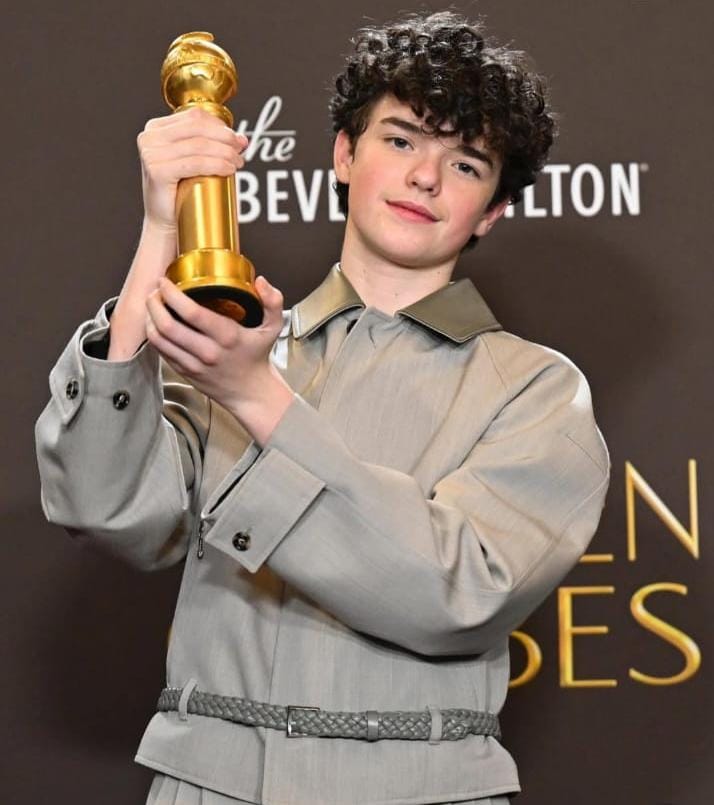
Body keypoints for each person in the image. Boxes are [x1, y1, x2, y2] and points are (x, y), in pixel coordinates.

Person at [35, 10, 610, 805]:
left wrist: (255, 395)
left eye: (466, 163)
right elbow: (104, 507)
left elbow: (460, 592)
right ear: (344, 153)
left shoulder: (535, 388)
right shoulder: (236, 347)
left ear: (491, 211)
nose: (425, 177)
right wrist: (162, 227)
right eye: (401, 140)